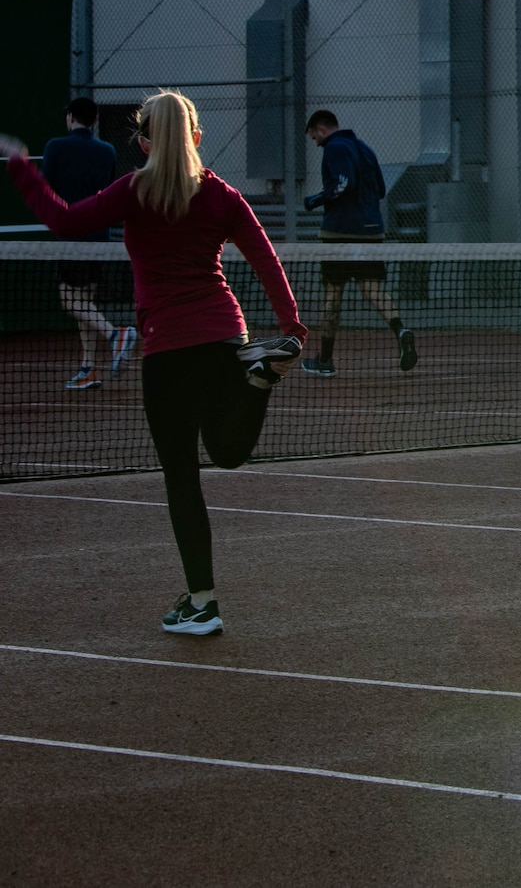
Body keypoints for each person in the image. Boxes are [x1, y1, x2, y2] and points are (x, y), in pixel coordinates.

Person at [2, 91, 306, 636]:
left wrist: (23, 168)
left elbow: (65, 221)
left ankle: (203, 602)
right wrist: (291, 329)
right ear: (195, 136)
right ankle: (258, 381)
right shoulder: (221, 195)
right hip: (224, 337)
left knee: (183, 479)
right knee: (228, 453)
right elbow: (265, 255)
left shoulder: (134, 191)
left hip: (168, 349)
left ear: (144, 141)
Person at [299, 109, 414, 376]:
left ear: (322, 128)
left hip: (339, 234)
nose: (315, 141)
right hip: (372, 232)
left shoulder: (334, 147)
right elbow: (382, 190)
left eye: (314, 135)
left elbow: (343, 184)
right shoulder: (365, 149)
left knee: (333, 294)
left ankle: (325, 360)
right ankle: (401, 330)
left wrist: (313, 201)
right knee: (373, 289)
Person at [40, 96, 136, 389]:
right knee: (84, 302)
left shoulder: (55, 147)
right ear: (94, 120)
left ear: (70, 117)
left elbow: (45, 188)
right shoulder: (106, 151)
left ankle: (114, 334)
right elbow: (106, 190)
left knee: (70, 301)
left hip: (71, 235)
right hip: (99, 236)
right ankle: (88, 368)